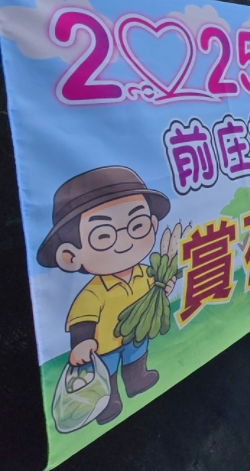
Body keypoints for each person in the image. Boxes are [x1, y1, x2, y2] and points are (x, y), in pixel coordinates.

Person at [37, 166, 172, 426]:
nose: (123, 242)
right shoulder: (94, 291)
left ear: (152, 225)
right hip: (104, 345)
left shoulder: (144, 273)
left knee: (137, 358)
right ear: (70, 256)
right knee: (105, 373)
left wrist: (163, 289)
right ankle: (109, 401)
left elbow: (154, 288)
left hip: (137, 334)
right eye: (103, 236)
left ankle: (137, 380)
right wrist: (80, 343)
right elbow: (82, 319)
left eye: (137, 225)